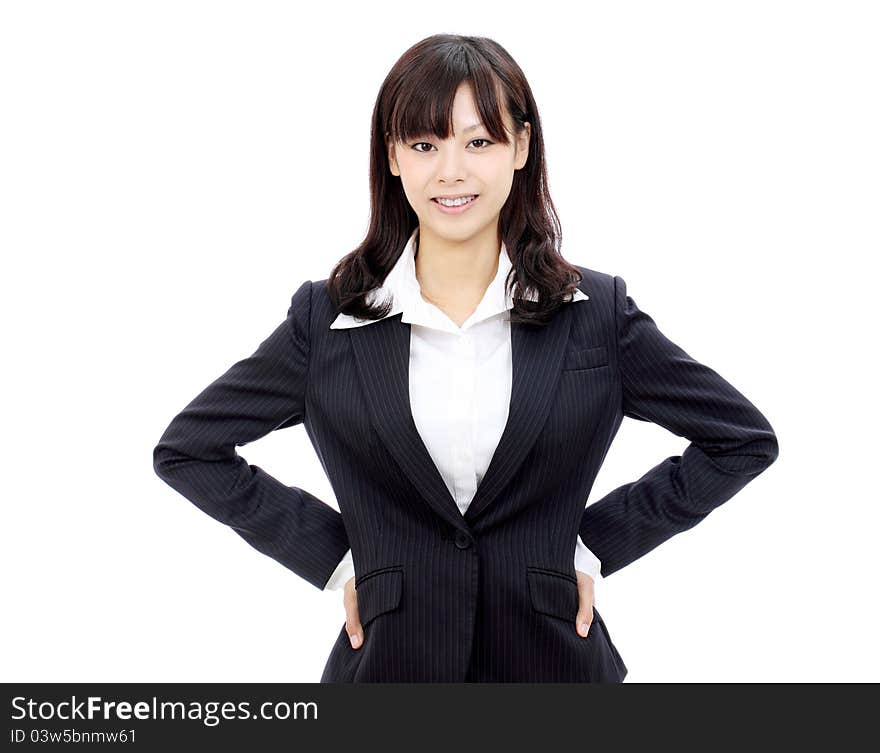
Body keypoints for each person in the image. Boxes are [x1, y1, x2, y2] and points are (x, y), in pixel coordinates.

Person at [153, 34, 779, 683]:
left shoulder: (594, 312)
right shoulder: (331, 319)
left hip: (554, 671)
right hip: (390, 674)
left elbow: (739, 439)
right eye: (425, 144)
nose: (452, 170)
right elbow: (188, 449)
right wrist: (346, 558)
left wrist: (592, 548)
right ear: (393, 156)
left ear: (522, 147)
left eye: (479, 142)